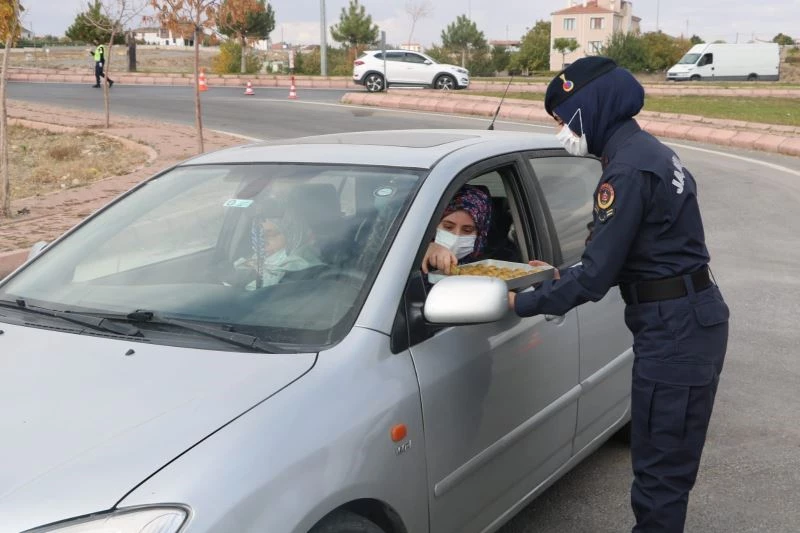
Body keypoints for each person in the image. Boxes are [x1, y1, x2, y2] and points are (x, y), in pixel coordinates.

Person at [509, 56, 730, 533]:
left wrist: (520, 301)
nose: (563, 132)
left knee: (659, 477)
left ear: (591, 107)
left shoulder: (625, 171)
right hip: (686, 317)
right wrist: (558, 273)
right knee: (665, 469)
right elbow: (635, 248)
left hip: (674, 330)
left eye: (563, 119)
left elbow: (594, 276)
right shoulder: (648, 152)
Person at [234, 200, 323, 290]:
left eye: (270, 235)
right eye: (258, 235)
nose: (262, 243)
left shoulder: (307, 276)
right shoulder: (251, 264)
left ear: (292, 236)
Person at [420, 184, 492, 275]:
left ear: (480, 233)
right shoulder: (410, 253)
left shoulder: (489, 269)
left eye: (467, 230)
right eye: (448, 227)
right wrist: (423, 249)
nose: (456, 236)